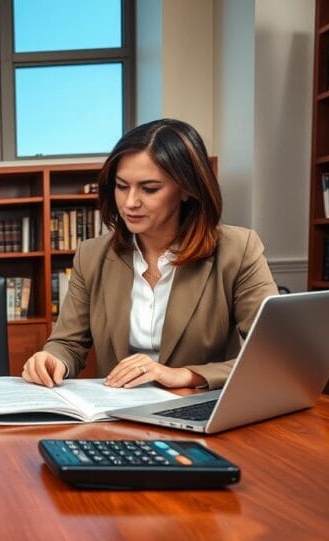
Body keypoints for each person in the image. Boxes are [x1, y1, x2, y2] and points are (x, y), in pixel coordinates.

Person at [22, 118, 277, 390]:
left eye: (149, 189)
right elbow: (67, 343)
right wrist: (52, 359)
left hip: (199, 409)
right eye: (122, 186)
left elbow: (272, 353)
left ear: (187, 189)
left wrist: (185, 375)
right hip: (118, 413)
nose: (130, 202)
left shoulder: (238, 250)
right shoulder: (91, 255)